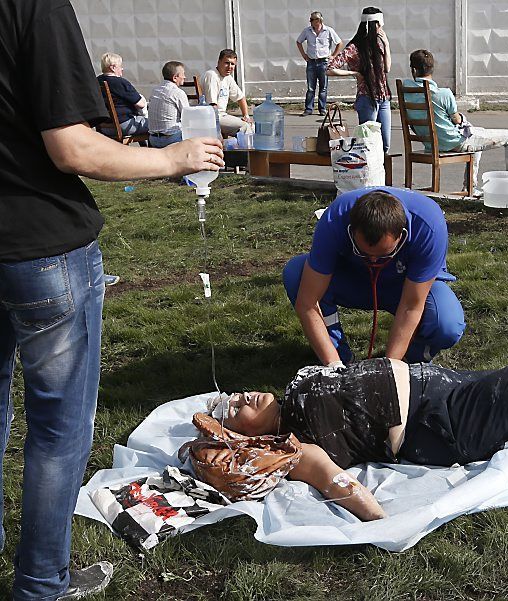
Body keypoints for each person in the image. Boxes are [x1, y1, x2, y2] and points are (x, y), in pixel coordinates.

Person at [0, 1, 224, 598]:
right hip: (41, 248)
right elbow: (71, 147)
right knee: (59, 429)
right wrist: (171, 157)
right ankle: (41, 584)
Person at [211, 350, 508, 521]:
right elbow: (340, 485)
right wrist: (389, 522)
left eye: (233, 395)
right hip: (442, 423)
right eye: (234, 413)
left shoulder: (294, 386)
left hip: (438, 385)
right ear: (244, 438)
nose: (241, 399)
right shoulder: (296, 445)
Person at [282, 186, 465, 366]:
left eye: (383, 254)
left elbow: (411, 306)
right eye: (364, 253)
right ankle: (341, 360)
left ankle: (412, 362)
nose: (374, 260)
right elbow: (307, 302)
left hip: (407, 285)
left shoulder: (428, 225)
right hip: (356, 278)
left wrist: (389, 370)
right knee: (296, 274)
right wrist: (333, 366)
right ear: (351, 230)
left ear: (401, 236)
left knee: (447, 324)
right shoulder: (334, 220)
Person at [402, 49, 508, 199]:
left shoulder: (406, 90)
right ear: (432, 69)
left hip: (430, 144)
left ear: (413, 69)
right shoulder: (443, 93)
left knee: (477, 135)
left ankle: (471, 187)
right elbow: (456, 119)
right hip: (453, 142)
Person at [328, 7, 392, 152]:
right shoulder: (355, 47)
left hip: (384, 98)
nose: (381, 29)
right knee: (368, 143)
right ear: (373, 25)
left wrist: (387, 45)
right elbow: (330, 68)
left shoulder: (379, 43)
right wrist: (354, 73)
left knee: (385, 144)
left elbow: (387, 68)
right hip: (367, 98)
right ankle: (369, 173)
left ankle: (381, 172)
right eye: (379, 25)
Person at [295, 11, 343, 117]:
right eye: (310, 20)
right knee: (311, 87)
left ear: (318, 21)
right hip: (311, 62)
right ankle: (308, 109)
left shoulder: (328, 30)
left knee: (323, 87)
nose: (310, 22)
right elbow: (299, 41)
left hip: (323, 62)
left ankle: (322, 108)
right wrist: (304, 55)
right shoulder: (307, 31)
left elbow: (339, 43)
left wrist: (333, 55)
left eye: (312, 20)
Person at [201, 48, 254, 137]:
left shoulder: (227, 77)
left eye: (232, 64)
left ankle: (241, 148)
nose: (230, 67)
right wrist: (218, 133)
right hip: (211, 117)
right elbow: (212, 106)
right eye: (226, 63)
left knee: (251, 125)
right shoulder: (212, 76)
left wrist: (246, 116)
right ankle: (245, 150)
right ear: (219, 62)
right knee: (245, 127)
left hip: (222, 116)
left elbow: (241, 98)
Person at [96, 52, 148, 137]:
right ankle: (150, 150)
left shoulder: (97, 81)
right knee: (155, 125)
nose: (122, 69)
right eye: (120, 66)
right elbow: (141, 104)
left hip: (104, 127)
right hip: (123, 126)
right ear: (113, 68)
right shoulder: (120, 82)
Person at [148, 61, 191, 149]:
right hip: (171, 139)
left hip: (153, 139)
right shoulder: (178, 93)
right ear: (175, 78)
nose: (185, 77)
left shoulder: (155, 90)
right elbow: (188, 118)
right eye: (183, 74)